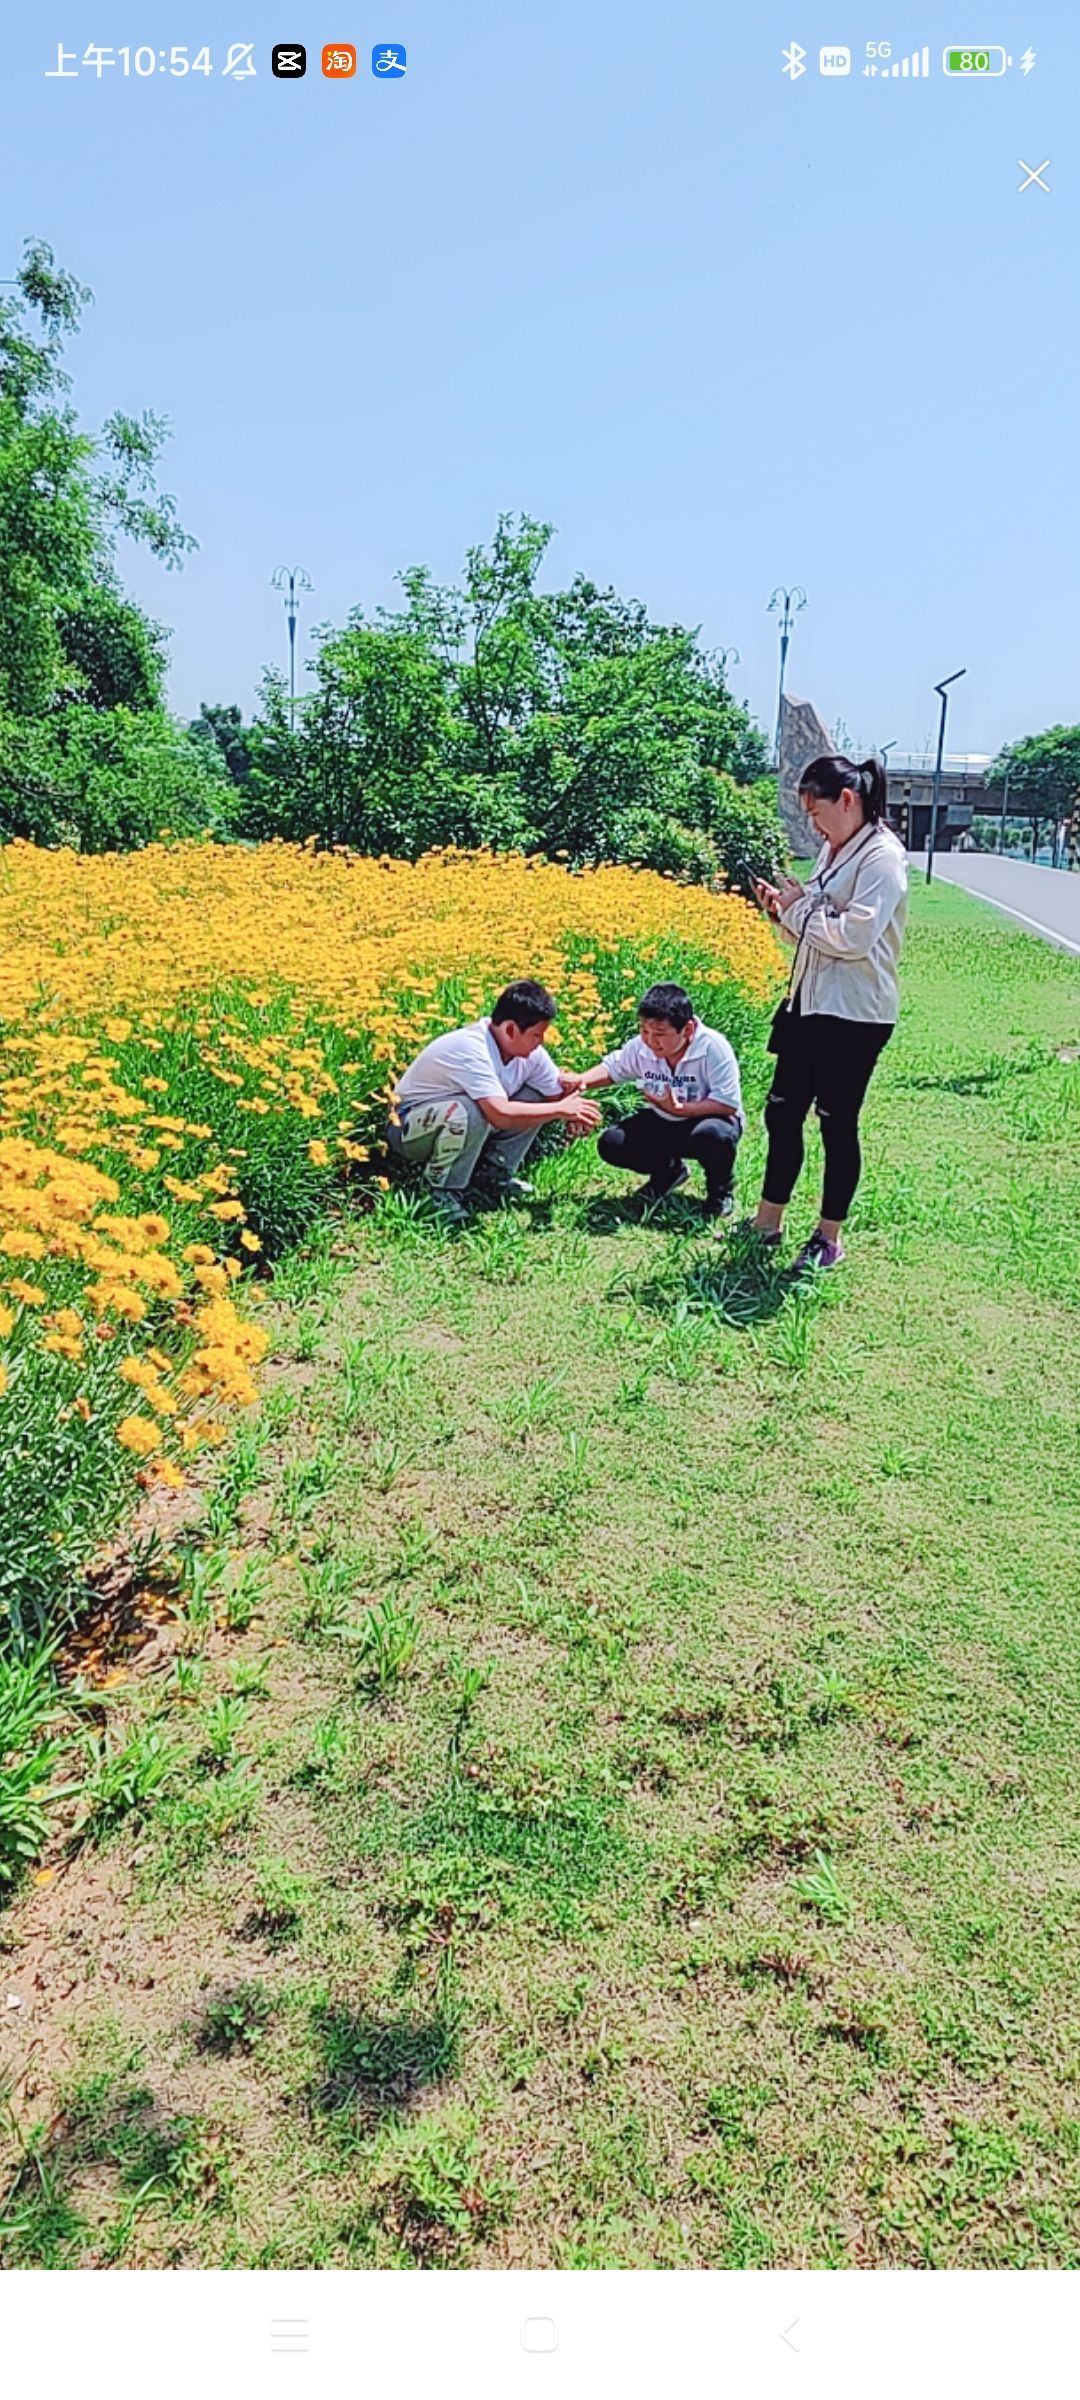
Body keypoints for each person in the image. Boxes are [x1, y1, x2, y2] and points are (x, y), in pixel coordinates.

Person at [749, 752, 907, 1273]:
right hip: (807, 1003)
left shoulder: (882, 857)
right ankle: (767, 1222)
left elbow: (852, 938)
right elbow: (813, 929)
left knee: (836, 1124)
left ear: (848, 799)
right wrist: (784, 909)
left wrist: (800, 909)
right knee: (781, 1111)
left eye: (817, 814)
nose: (814, 827)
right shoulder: (833, 852)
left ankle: (827, 1236)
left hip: (854, 1015)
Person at [388, 979, 601, 1223]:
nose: (541, 1041)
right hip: (406, 1128)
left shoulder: (530, 1054)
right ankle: (438, 1193)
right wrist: (561, 1110)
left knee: (536, 1098)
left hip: (451, 1122)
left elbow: (555, 1094)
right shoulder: (470, 1048)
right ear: (510, 1029)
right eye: (536, 1035)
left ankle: (492, 1176)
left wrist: (573, 1112)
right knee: (469, 1111)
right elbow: (500, 1114)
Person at [576, 981, 744, 1217]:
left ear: (687, 1030)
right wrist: (579, 1082)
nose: (650, 1041)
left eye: (660, 1034)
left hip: (708, 1120)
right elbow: (614, 1068)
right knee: (612, 1142)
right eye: (644, 1031)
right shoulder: (642, 1046)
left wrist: (679, 1108)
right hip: (663, 1118)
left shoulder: (713, 1047)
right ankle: (668, 1172)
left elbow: (727, 1103)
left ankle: (720, 1192)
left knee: (713, 1136)